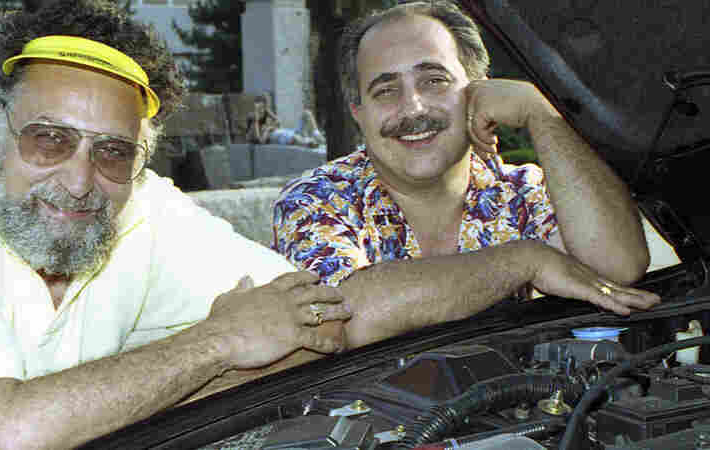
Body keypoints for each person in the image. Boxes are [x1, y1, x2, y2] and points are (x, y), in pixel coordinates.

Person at [0, 0, 352, 448]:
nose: (79, 183)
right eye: (49, 139)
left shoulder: (144, 204)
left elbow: (323, 321)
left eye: (113, 151)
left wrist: (118, 401)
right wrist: (217, 342)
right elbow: (6, 433)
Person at [272, 1, 660, 348]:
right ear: (358, 112)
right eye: (386, 90)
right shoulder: (316, 198)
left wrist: (540, 113)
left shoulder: (519, 191)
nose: (413, 108)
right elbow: (343, 319)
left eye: (434, 80)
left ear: (479, 91)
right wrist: (524, 260)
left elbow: (618, 266)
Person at [246, 95, 326, 147]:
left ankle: (317, 135)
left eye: (263, 108)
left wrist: (272, 126)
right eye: (259, 109)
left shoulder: (266, 112)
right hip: (279, 136)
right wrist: (267, 129)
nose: (262, 111)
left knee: (307, 113)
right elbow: (261, 141)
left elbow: (278, 122)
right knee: (294, 137)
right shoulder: (253, 121)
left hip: (286, 131)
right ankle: (308, 142)